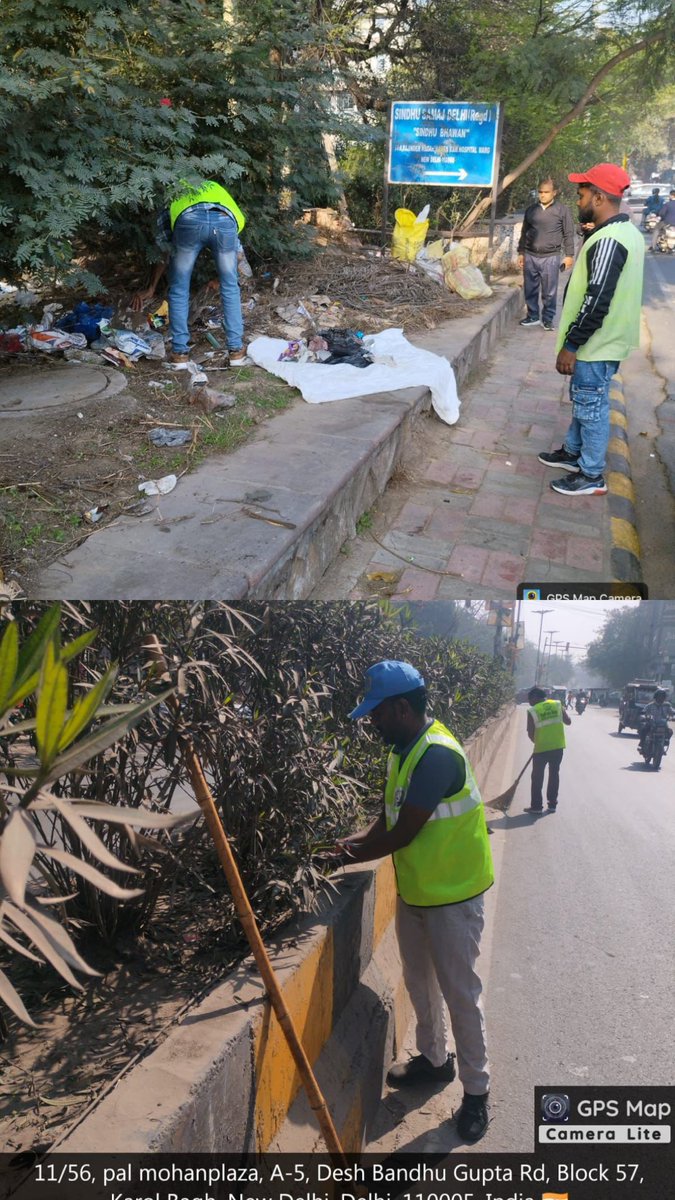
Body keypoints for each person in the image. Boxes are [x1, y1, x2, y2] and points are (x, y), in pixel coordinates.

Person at [334, 660, 494, 1143]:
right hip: (418, 893)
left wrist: (342, 857)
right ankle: (435, 1061)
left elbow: (403, 832)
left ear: (401, 708)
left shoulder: (437, 756)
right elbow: (386, 818)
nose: (373, 723)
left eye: (377, 714)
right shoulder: (402, 750)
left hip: (454, 900)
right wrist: (344, 845)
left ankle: (477, 1093)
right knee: (420, 984)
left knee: (460, 994)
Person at [538, 162, 644, 497]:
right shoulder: (622, 232)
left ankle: (592, 474)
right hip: (606, 342)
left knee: (591, 408)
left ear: (598, 197)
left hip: (595, 345)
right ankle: (572, 452)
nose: (578, 199)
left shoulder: (610, 240)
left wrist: (571, 345)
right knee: (584, 403)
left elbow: (596, 300)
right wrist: (589, 234)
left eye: (582, 193)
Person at [131, 179, 248, 365]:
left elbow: (165, 251)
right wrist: (222, 277)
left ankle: (180, 355)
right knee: (230, 286)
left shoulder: (174, 193)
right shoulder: (218, 191)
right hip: (225, 221)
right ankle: (236, 352)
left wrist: (151, 287)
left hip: (189, 222)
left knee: (179, 288)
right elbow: (239, 256)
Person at [517, 178, 575, 330]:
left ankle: (548, 319)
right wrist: (521, 252)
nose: (542, 195)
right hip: (530, 255)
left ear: (554, 193)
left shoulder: (562, 210)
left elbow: (569, 233)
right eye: (540, 192)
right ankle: (532, 316)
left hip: (550, 256)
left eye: (546, 192)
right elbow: (524, 232)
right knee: (530, 288)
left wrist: (569, 255)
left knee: (549, 291)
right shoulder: (531, 210)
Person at [525, 686, 572, 814]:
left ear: (535, 697)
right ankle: (552, 805)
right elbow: (568, 721)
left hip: (541, 749)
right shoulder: (557, 705)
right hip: (558, 747)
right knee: (554, 775)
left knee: (537, 777)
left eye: (529, 699)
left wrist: (539, 742)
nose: (529, 702)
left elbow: (530, 733)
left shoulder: (532, 711)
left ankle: (536, 807)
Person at [638, 688, 674, 753]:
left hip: (663, 724)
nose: (661, 698)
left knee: (670, 732)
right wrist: (644, 716)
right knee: (643, 730)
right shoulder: (650, 705)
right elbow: (644, 711)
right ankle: (642, 744)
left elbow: (672, 711)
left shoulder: (667, 705)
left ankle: (664, 743)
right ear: (656, 696)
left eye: (662, 696)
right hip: (652, 723)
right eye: (659, 696)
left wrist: (673, 716)